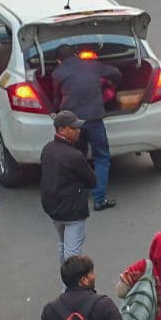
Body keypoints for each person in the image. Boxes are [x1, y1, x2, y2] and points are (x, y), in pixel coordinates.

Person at [51, 45, 119, 210]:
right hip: (94, 118)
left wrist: (56, 111)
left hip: (73, 122)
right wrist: (111, 87)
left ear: (58, 61)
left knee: (77, 157)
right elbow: (116, 73)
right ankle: (99, 199)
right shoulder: (91, 65)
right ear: (75, 55)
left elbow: (56, 97)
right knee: (101, 157)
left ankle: (79, 192)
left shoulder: (57, 73)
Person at [40, 111, 95, 265]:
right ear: (62, 129)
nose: (79, 130)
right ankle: (69, 287)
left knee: (63, 246)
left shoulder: (47, 149)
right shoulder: (74, 155)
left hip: (53, 208)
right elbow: (91, 180)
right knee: (73, 256)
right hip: (73, 211)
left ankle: (65, 282)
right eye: (74, 128)